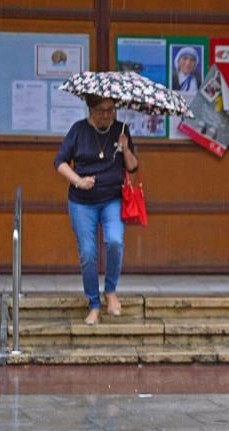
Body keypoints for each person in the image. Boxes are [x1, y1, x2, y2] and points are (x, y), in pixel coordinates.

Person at [54, 95, 139, 325]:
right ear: (90, 109)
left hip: (112, 199)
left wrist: (126, 147)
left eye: (111, 110)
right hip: (82, 202)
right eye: (101, 110)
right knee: (88, 254)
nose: (107, 115)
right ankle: (93, 303)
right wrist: (79, 181)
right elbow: (60, 162)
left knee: (114, 241)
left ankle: (110, 291)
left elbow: (132, 166)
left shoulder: (121, 129)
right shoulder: (78, 130)